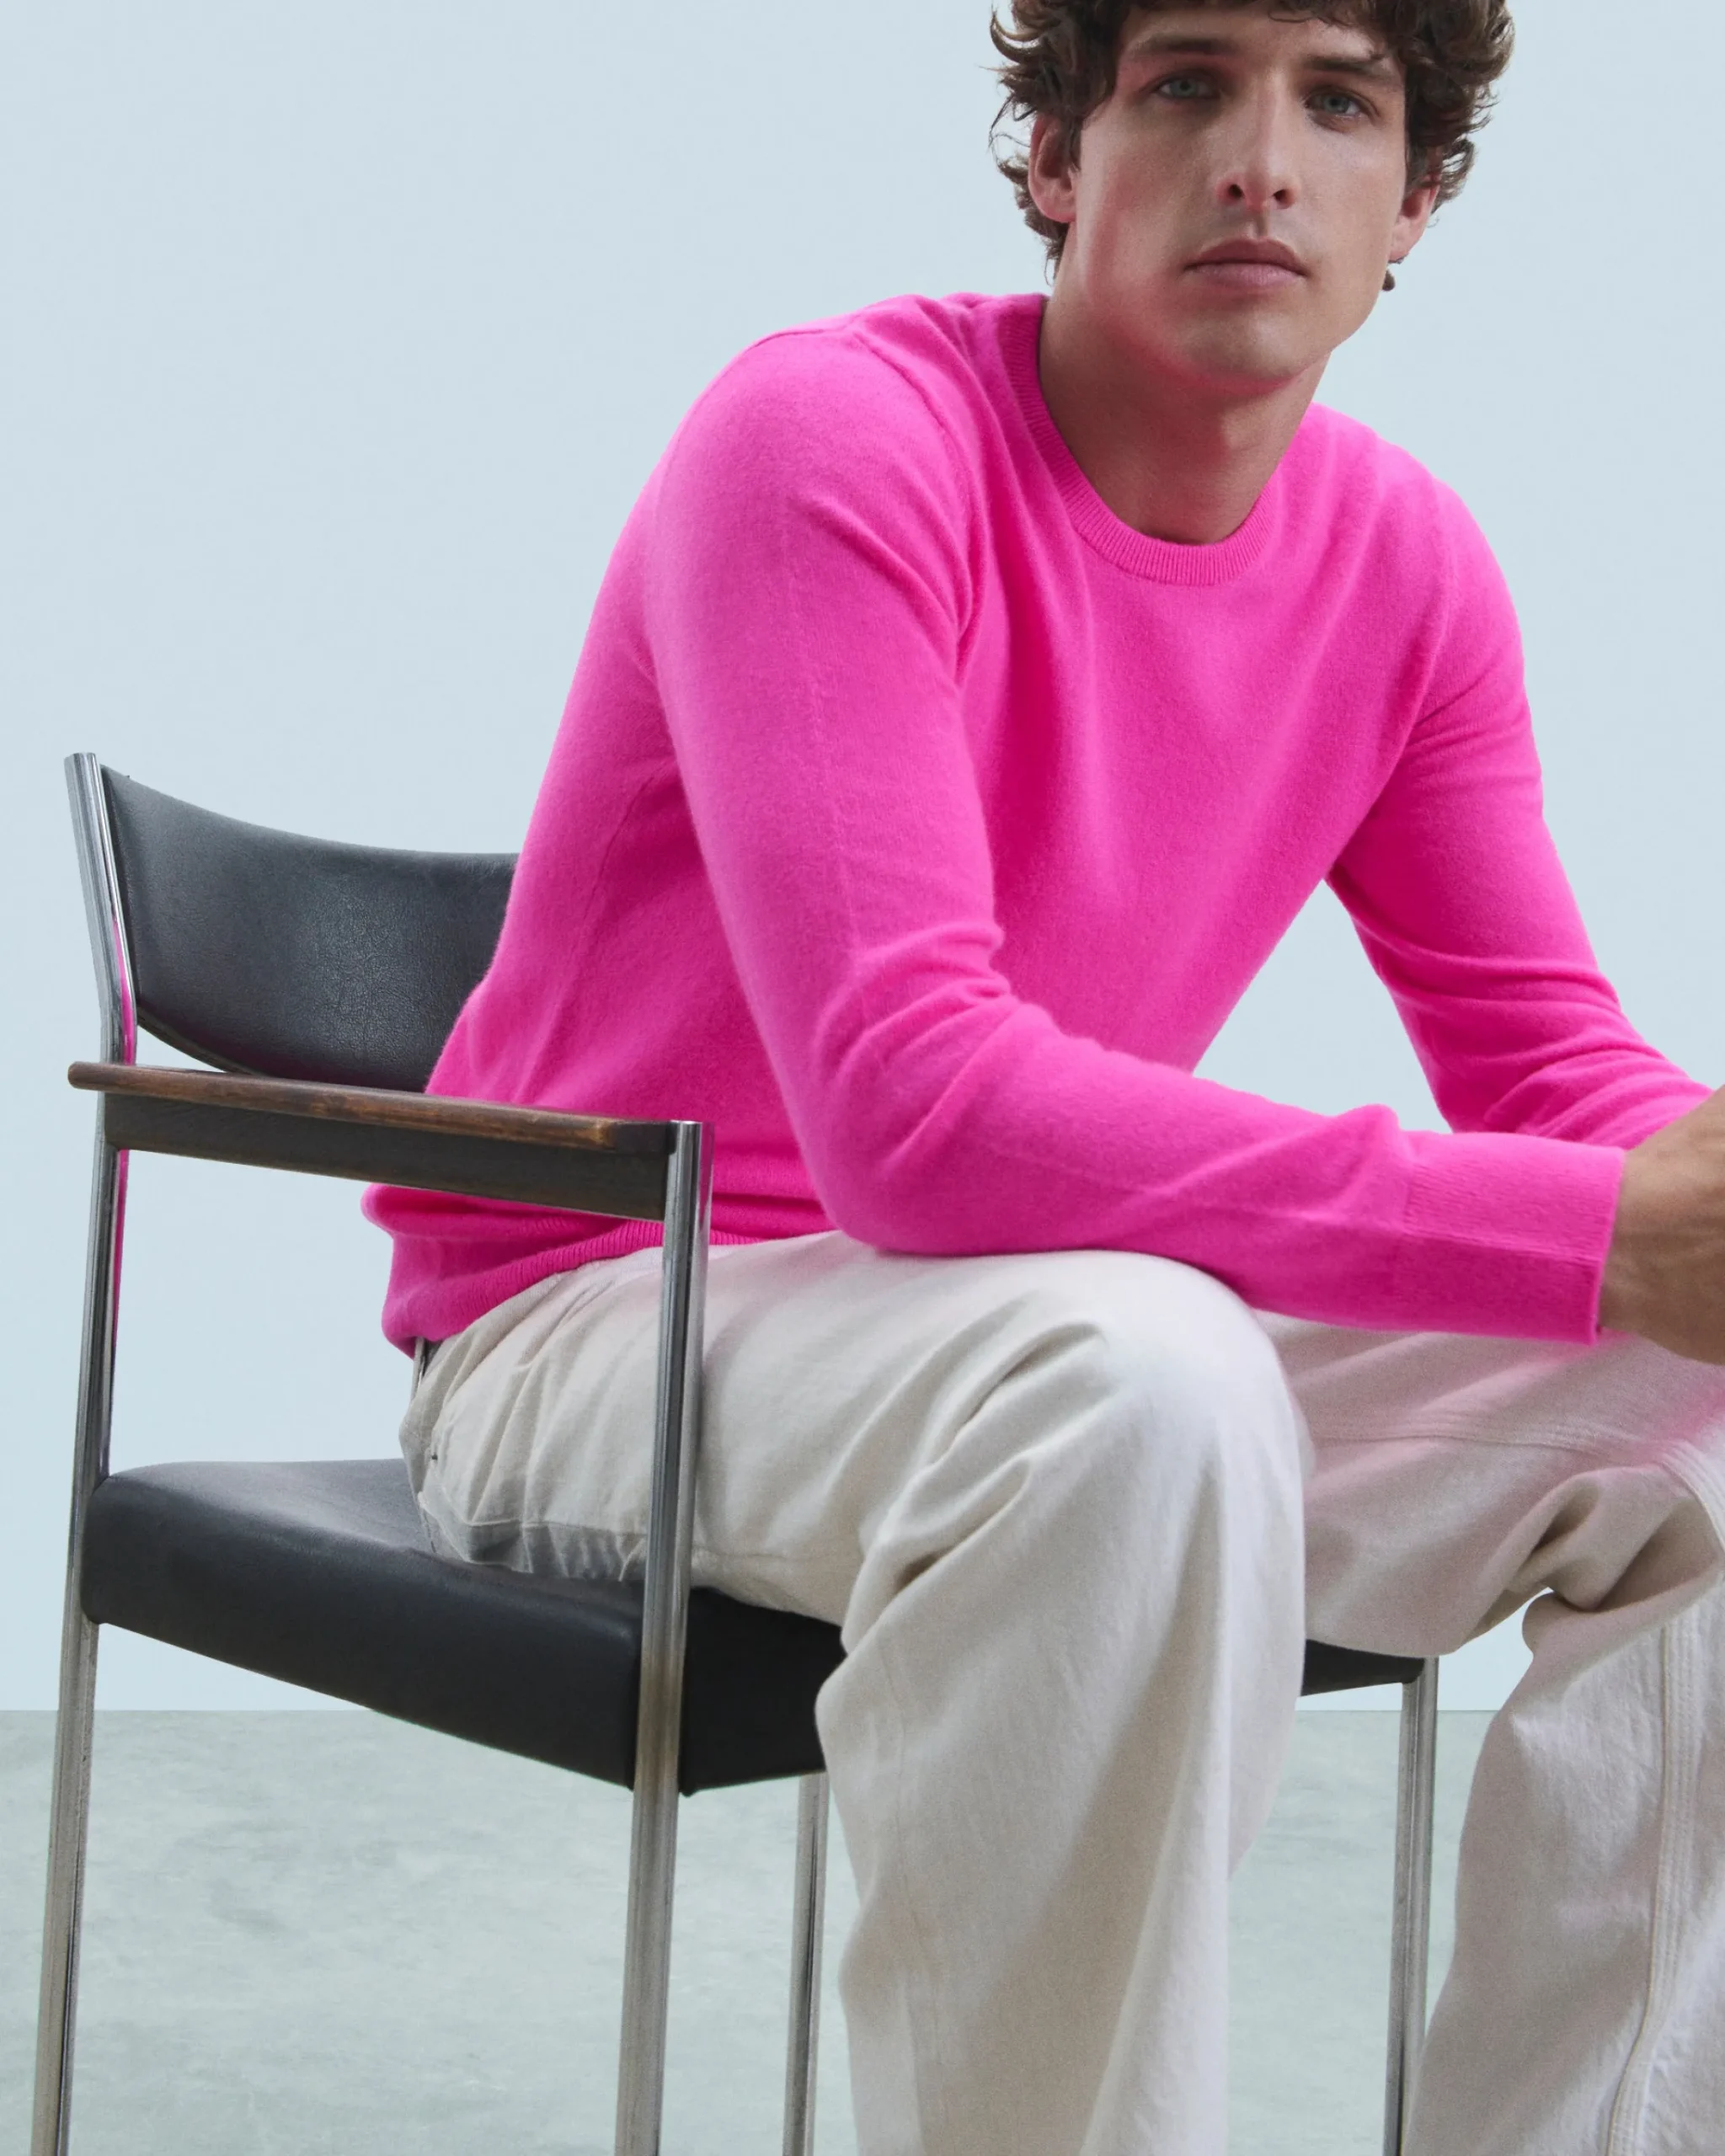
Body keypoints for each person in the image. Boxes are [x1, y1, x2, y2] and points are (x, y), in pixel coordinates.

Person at [366, 4, 1725, 2150]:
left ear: (1413, 203)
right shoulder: (831, 437)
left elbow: (1552, 1063)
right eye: (1185, 84)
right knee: (1138, 1372)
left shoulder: (1407, 567)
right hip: (611, 1300)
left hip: (1025, 1334)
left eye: (1338, 101)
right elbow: (911, 1107)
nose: (1261, 159)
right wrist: (1602, 1233)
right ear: (1056, 161)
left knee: (1698, 1390)